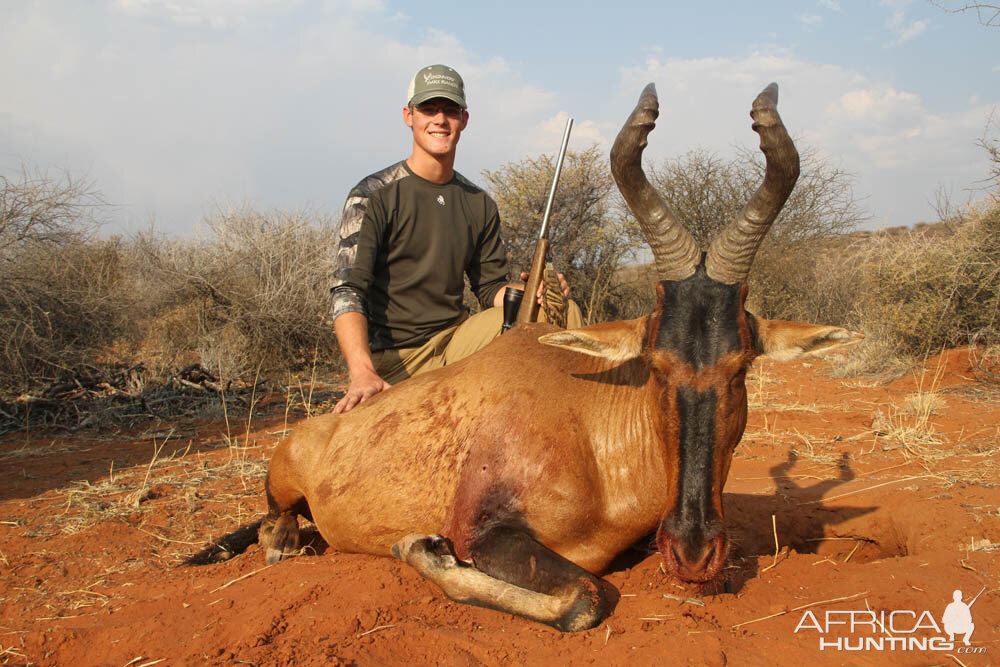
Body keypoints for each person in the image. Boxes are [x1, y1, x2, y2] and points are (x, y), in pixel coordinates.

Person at [330, 64, 581, 413]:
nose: (439, 120)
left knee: (562, 312)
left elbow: (490, 289)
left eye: (449, 110)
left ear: (464, 119)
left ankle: (568, 419)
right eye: (429, 109)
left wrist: (529, 294)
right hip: (399, 358)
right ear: (409, 116)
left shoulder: (478, 203)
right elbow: (347, 291)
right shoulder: (373, 195)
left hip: (455, 343)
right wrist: (361, 372)